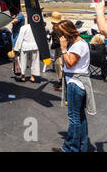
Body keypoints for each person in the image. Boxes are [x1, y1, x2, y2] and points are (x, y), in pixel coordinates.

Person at [52, 20, 96, 152]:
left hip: (75, 83)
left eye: (61, 34)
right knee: (80, 117)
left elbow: (70, 64)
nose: (60, 38)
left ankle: (70, 148)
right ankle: (81, 147)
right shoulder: (78, 42)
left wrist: (64, 48)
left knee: (74, 118)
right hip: (77, 83)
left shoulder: (78, 46)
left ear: (66, 33)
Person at [47, 12, 64, 91]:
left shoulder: (56, 29)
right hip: (64, 48)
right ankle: (62, 83)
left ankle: (61, 84)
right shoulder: (63, 27)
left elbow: (57, 42)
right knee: (61, 66)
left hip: (59, 49)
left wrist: (51, 46)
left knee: (59, 66)